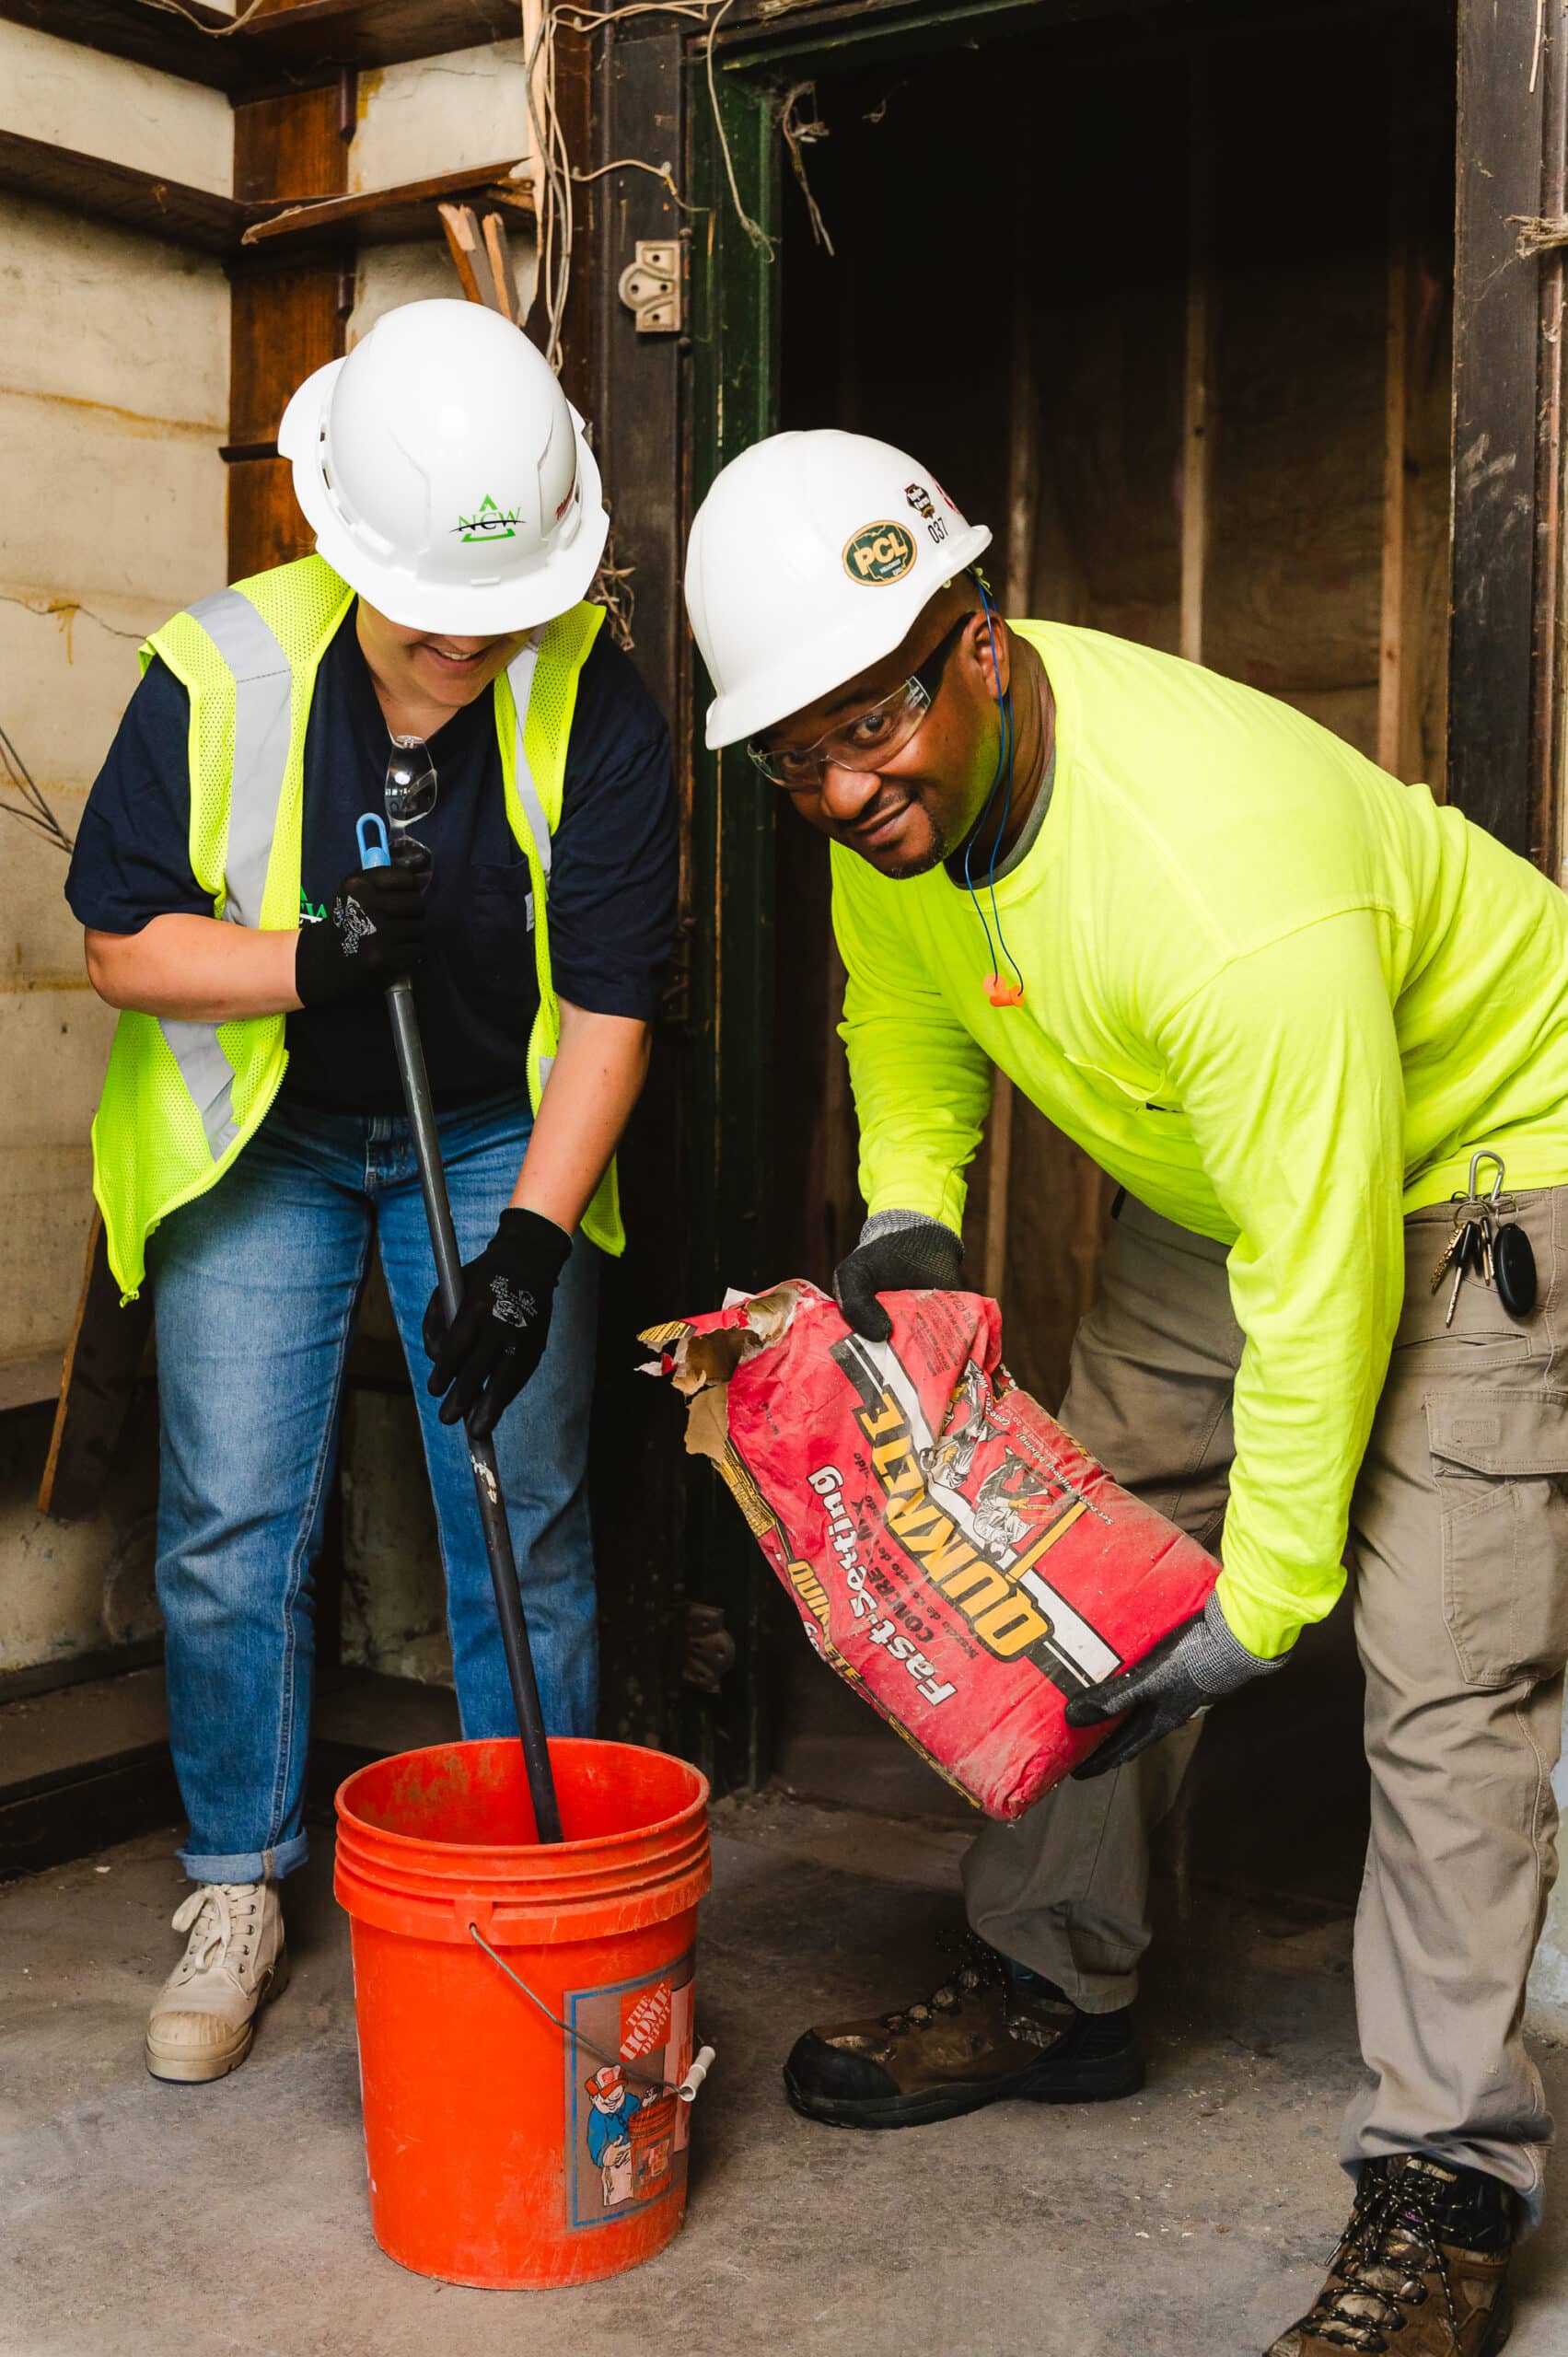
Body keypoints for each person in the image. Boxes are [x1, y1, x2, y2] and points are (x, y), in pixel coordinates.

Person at [682, 426, 1568, 2356]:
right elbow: (902, 1005)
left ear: (978, 642)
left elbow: (1327, 1262)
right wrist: (911, 1212)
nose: (845, 785)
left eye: (874, 724)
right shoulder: (884, 813)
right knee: (1064, 1553)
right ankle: (1053, 1982)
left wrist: (1254, 1605)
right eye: (794, 758)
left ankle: (1445, 2180)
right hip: (1231, 1164)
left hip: (1485, 1160)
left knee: (1441, 1665)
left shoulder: (1213, 872)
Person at [66, 299, 677, 2085]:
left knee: (522, 1504)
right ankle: (241, 1880)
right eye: (432, 628)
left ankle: (527, 1872)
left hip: (488, 1124)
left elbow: (620, 1002)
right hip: (266, 1130)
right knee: (234, 1523)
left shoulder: (598, 696)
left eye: (500, 629)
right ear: (344, 552)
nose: (466, 659)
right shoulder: (220, 667)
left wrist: (530, 1248)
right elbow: (118, 943)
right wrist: (308, 960)